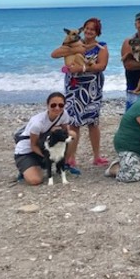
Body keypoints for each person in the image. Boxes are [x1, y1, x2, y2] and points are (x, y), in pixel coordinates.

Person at [50, 17, 109, 167]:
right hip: (74, 87)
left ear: (97, 32)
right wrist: (73, 49)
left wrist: (82, 68)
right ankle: (71, 158)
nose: (89, 31)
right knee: (74, 122)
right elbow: (54, 54)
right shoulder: (74, 43)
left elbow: (101, 66)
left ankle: (97, 157)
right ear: (83, 29)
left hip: (92, 88)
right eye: (87, 28)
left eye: (93, 29)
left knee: (93, 123)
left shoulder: (101, 46)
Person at [14, 92, 78, 186]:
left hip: (45, 146)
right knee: (35, 180)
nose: (57, 108)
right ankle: (27, 169)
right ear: (47, 105)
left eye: (61, 105)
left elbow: (66, 133)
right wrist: (48, 156)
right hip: (28, 151)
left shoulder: (63, 114)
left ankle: (63, 164)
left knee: (72, 134)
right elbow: (33, 145)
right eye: (53, 105)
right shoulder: (38, 123)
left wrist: (59, 132)